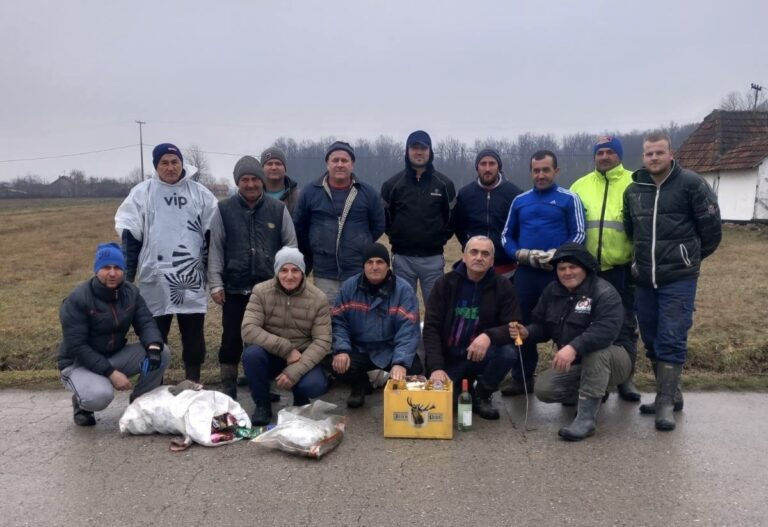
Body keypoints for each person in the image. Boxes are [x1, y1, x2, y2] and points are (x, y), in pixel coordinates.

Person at [623, 132, 722, 431]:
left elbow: (712, 231)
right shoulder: (634, 189)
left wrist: (688, 259)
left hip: (678, 278)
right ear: (643, 156)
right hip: (644, 277)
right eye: (649, 154)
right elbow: (631, 229)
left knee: (672, 338)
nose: (653, 158)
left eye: (659, 153)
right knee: (651, 337)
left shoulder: (692, 184)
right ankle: (671, 394)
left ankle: (664, 402)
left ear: (671, 153)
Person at [115, 143, 219, 382]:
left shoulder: (200, 193)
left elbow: (213, 236)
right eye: (165, 162)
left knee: (193, 335)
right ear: (156, 166)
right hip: (156, 277)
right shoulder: (142, 193)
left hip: (189, 277)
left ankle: (192, 383)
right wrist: (127, 278)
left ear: (182, 164)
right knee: (154, 334)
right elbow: (131, 236)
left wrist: (214, 277)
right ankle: (153, 384)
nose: (170, 167)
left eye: (175, 162)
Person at [510, 243, 632, 441]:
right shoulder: (552, 291)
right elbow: (542, 325)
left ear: (585, 268)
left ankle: (586, 420)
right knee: (544, 389)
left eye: (572, 267)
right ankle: (594, 393)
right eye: (561, 268)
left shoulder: (604, 293)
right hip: (579, 363)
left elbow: (604, 332)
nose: (567, 272)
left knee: (596, 352)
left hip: (615, 360)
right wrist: (527, 333)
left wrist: (573, 347)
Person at [208, 155, 297, 399]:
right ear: (238, 182)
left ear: (262, 181)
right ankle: (228, 387)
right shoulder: (224, 210)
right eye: (245, 179)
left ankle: (263, 387)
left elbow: (290, 246)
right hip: (234, 288)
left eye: (255, 179)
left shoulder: (278, 210)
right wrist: (215, 283)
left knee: (266, 339)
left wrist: (286, 279)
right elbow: (215, 247)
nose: (250, 184)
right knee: (231, 339)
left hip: (269, 289)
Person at [501, 150, 585, 395]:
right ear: (531, 172)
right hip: (526, 274)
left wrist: (557, 255)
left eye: (546, 170)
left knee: (568, 326)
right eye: (536, 170)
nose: (540, 175)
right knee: (521, 324)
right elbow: (506, 235)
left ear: (556, 171)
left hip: (558, 274)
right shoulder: (520, 200)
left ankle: (571, 383)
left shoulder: (569, 199)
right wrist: (518, 254)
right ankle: (522, 378)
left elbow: (579, 234)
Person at [58, 243, 170, 426]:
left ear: (124, 271)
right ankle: (81, 404)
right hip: (78, 363)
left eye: (117, 267)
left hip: (113, 355)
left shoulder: (131, 292)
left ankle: (139, 403)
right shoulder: (77, 299)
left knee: (162, 352)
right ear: (96, 270)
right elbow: (77, 346)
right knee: (100, 396)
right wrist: (111, 374)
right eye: (106, 268)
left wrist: (153, 347)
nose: (112, 273)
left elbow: (146, 322)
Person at [570, 136, 640, 402]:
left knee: (624, 325)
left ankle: (625, 378)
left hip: (621, 269)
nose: (604, 157)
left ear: (619, 155)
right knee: (584, 323)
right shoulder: (580, 185)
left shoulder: (635, 183)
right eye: (600, 152)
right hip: (587, 272)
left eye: (610, 152)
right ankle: (589, 379)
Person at [424, 236, 520, 420]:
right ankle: (460, 387)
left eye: (485, 254)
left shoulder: (503, 286)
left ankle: (482, 394)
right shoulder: (445, 283)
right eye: (474, 252)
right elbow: (431, 328)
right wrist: (436, 367)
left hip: (480, 356)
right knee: (446, 406)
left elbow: (513, 325)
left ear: (492, 260)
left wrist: (488, 336)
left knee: (508, 353)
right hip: (449, 358)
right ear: (464, 256)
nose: (479, 257)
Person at [241, 247, 332, 425]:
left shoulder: (318, 298)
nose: (289, 276)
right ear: (276, 271)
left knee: (314, 384)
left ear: (303, 272)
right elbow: (248, 329)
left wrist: (294, 372)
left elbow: (323, 341)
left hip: (302, 358)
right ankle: (262, 403)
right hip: (271, 354)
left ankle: (300, 401)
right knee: (252, 355)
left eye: (295, 270)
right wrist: (286, 349)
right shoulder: (260, 291)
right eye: (284, 270)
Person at [293, 141, 385, 303]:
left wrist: (361, 244)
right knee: (328, 319)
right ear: (327, 164)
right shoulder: (310, 192)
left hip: (357, 269)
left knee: (357, 316)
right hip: (324, 271)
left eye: (345, 160)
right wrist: (316, 246)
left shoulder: (368, 193)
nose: (340, 164)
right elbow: (300, 226)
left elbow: (378, 225)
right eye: (335, 160)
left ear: (352, 164)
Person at [331, 243, 422, 408]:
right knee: (337, 363)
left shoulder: (404, 290)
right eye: (370, 262)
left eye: (380, 262)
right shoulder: (349, 287)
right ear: (363, 266)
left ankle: (396, 389)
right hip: (360, 348)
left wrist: (400, 362)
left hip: (390, 348)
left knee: (414, 367)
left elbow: (408, 330)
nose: (375, 267)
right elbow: (339, 322)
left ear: (388, 265)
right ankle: (360, 386)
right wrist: (342, 350)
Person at [381, 130, 456, 305]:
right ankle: (407, 334)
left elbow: (452, 218)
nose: (419, 152)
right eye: (414, 148)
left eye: (423, 148)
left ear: (430, 151)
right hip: (402, 258)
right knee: (402, 308)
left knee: (437, 308)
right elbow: (384, 217)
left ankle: (433, 334)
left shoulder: (444, 184)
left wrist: (440, 237)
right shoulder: (392, 185)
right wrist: (396, 236)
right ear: (407, 151)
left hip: (433, 259)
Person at [452, 147, 522, 278]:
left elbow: (519, 227)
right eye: (483, 164)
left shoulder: (514, 193)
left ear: (499, 167)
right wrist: (468, 244)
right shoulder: (465, 194)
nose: (487, 169)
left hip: (506, 268)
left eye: (492, 164)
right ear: (477, 167)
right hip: (474, 267)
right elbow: (458, 225)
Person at [261, 146, 300, 215]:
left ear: (285, 168)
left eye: (278, 164)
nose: (274, 167)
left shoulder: (298, 197)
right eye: (269, 164)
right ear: (262, 169)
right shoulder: (255, 196)